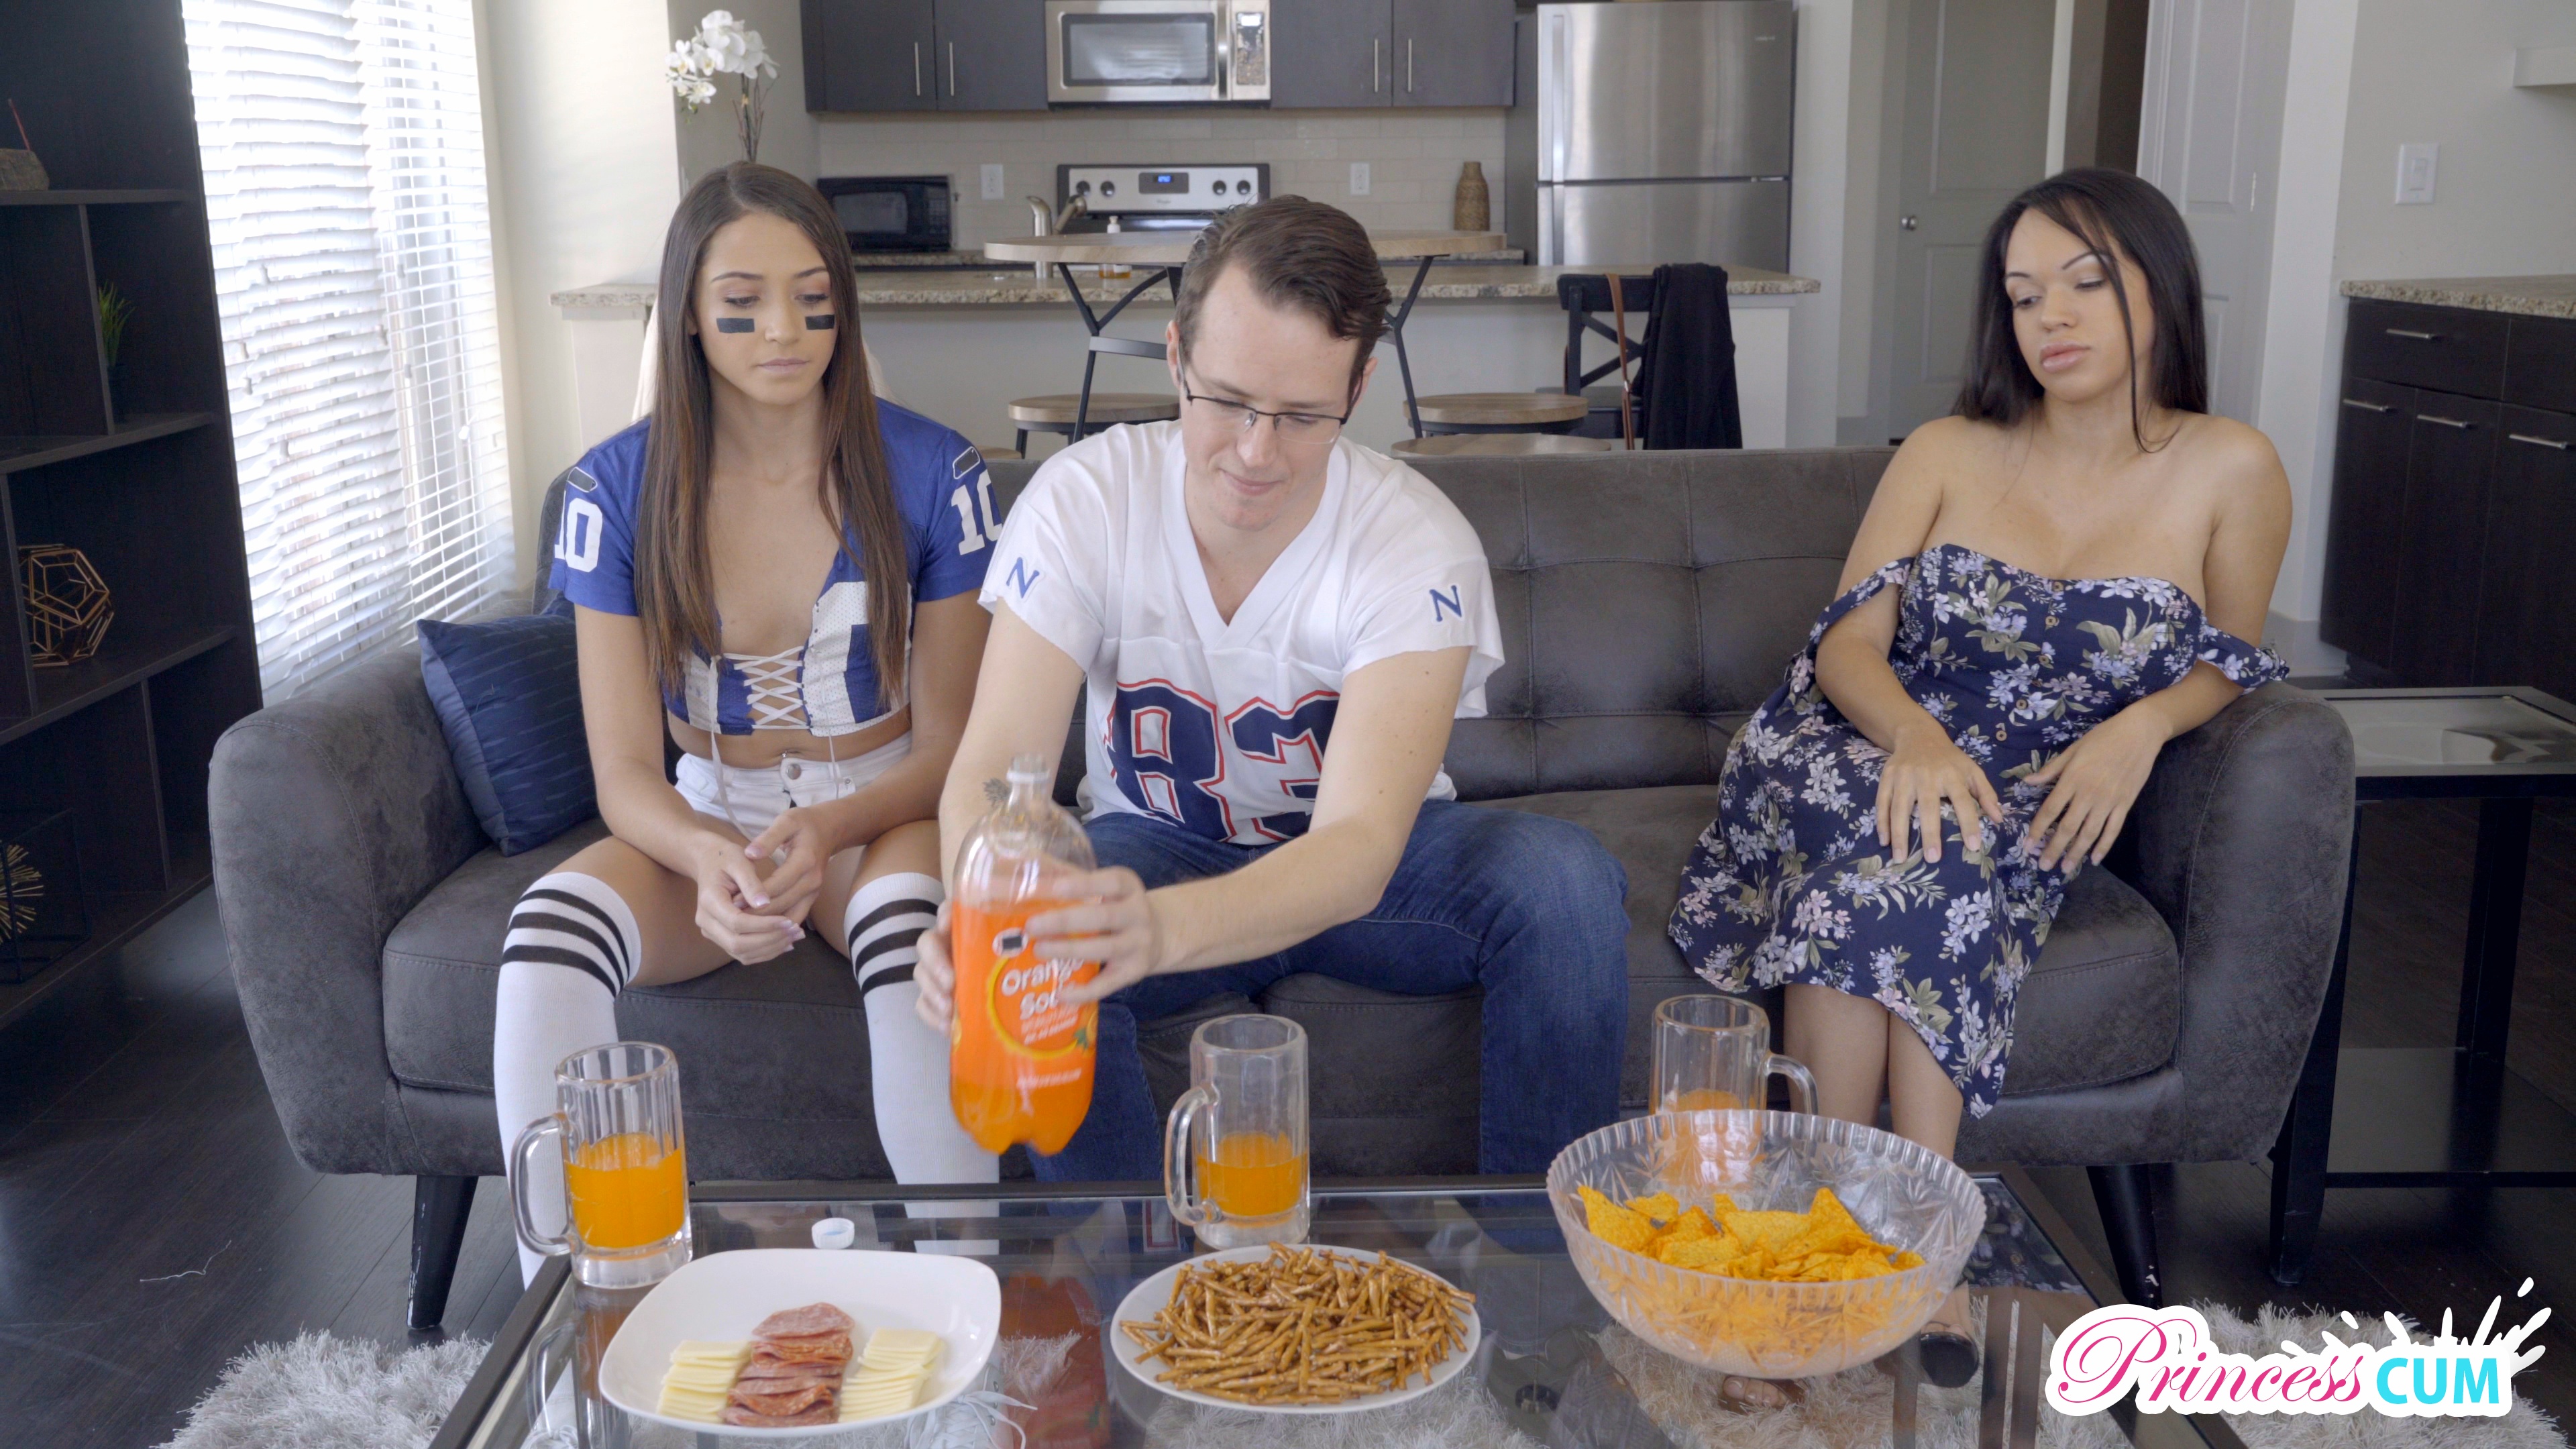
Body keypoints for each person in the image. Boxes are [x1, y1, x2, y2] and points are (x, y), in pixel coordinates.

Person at [1668, 168, 2290, 1399]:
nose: (2050, 316)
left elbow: (2233, 655)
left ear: (2159, 286)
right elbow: (1847, 643)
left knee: (1912, 870)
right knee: (1925, 840)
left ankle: (1828, 1247)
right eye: (2022, 294)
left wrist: (2142, 728)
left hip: (2031, 787)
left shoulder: (2233, 466)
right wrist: (1913, 738)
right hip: (1856, 742)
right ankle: (1918, 1239)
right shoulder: (1948, 449)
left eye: (2085, 282)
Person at [908, 197, 1631, 1180]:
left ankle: (1543, 1251)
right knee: (1040, 938)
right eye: (1229, 401)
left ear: (1360, 387)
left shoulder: (1415, 542)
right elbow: (996, 766)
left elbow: (1358, 849)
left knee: (1566, 885)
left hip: (1373, 869)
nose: (1256, 452)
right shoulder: (1084, 500)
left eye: (1301, 417)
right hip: (1154, 842)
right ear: (1176, 357)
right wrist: (978, 909)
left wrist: (1156, 933)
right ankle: (1118, 1265)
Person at [495, 164, 997, 1281]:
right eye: (743, 302)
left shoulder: (936, 471)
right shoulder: (611, 492)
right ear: (687, 312)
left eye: (814, 300)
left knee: (913, 945)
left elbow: (951, 749)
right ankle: (572, 1320)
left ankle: (970, 1301)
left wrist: (829, 829)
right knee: (543, 943)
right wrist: (704, 853)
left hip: (881, 812)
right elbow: (625, 771)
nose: (785, 330)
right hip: (709, 812)